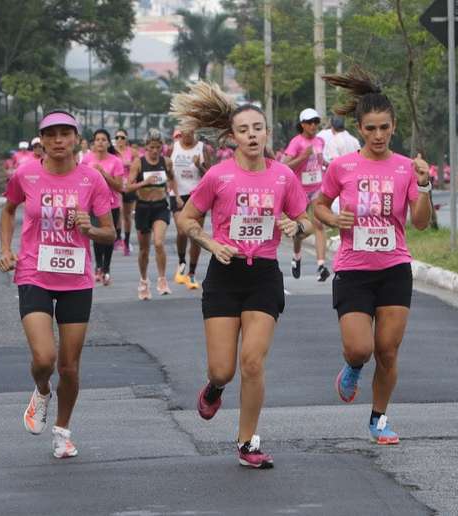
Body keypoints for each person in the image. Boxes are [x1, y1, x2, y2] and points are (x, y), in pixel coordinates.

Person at [171, 82, 314, 469]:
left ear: (267, 133)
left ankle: (248, 441)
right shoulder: (219, 176)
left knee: (252, 362)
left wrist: (296, 229)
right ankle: (216, 388)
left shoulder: (284, 176)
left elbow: (307, 221)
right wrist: (209, 243)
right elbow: (186, 219)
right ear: (232, 137)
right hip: (224, 274)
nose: (252, 135)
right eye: (244, 130)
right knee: (224, 368)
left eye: (258, 128)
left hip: (264, 274)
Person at [314, 67, 431, 445]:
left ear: (393, 126)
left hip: (395, 267)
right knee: (360, 348)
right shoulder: (342, 166)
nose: (378, 135)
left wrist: (426, 185)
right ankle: (351, 366)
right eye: (370, 128)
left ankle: (379, 418)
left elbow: (421, 222)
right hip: (353, 269)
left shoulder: (405, 169)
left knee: (388, 351)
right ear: (359, 129)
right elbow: (319, 205)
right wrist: (333, 217)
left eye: (384, 128)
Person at [0, 110, 116, 458]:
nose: (58, 140)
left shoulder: (92, 179)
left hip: (76, 278)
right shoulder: (26, 174)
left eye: (65, 134)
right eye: (51, 135)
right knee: (45, 358)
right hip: (34, 273)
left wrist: (90, 229)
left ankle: (62, 432)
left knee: (69, 366)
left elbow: (109, 232)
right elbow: (8, 210)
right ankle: (41, 389)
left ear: (77, 139)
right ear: (42, 140)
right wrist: (6, 249)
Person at [127, 129, 179, 299]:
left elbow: (172, 178)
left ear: (162, 147)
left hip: (160, 207)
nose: (155, 150)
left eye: (158, 147)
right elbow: (128, 186)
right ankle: (143, 281)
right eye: (151, 147)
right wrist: (144, 182)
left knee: (158, 243)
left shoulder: (167, 162)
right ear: (146, 147)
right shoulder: (138, 163)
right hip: (143, 207)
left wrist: (175, 195)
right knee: (143, 249)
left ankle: (162, 279)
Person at [282, 108, 330, 282]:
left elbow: (319, 159)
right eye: (310, 122)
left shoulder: (320, 141)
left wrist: (327, 165)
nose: (313, 125)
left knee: (319, 225)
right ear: (302, 124)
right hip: (299, 190)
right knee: (299, 230)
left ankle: (321, 265)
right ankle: (296, 256)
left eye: (316, 122)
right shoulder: (296, 142)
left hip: (317, 187)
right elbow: (285, 166)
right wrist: (303, 157)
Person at [81, 129, 125, 285]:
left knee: (109, 237)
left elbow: (120, 187)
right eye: (97, 139)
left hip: (111, 204)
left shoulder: (115, 161)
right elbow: (82, 182)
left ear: (108, 143)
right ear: (93, 142)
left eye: (103, 139)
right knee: (96, 236)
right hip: (92, 205)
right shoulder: (86, 160)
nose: (100, 142)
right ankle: (98, 266)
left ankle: (107, 268)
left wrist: (103, 174)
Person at [171, 127, 211, 289]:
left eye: (190, 132)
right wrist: (175, 193)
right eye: (184, 132)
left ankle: (192, 273)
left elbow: (210, 174)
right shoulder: (174, 146)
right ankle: (181, 261)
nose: (187, 135)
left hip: (197, 194)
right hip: (178, 195)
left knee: (195, 235)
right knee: (182, 231)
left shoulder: (202, 148)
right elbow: (169, 172)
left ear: (194, 131)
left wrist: (199, 166)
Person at [115, 129, 136, 256]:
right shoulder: (113, 152)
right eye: (117, 137)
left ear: (126, 139)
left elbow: (138, 166)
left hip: (129, 186)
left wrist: (131, 164)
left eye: (122, 137)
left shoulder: (132, 152)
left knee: (127, 216)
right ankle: (118, 238)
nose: (119, 140)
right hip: (117, 186)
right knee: (119, 212)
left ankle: (126, 242)